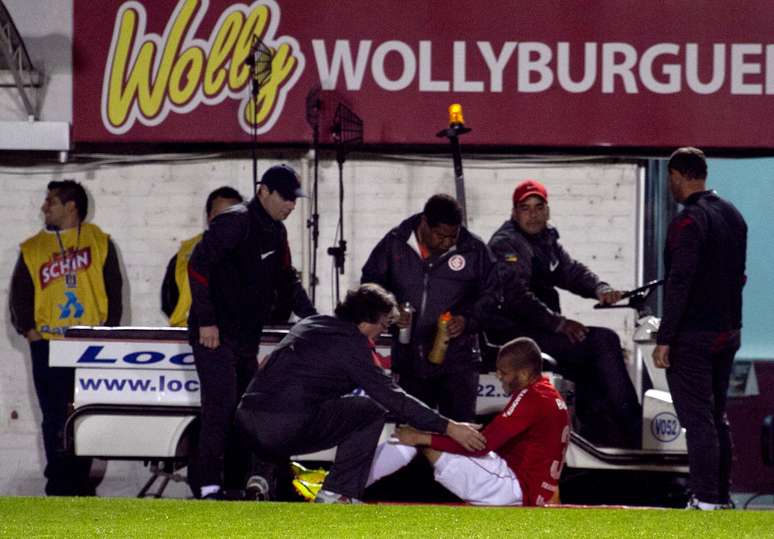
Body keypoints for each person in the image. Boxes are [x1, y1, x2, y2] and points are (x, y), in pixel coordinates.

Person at [234, 283, 486, 503]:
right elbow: (393, 398)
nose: (384, 333)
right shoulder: (352, 346)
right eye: (385, 325)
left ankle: (260, 478)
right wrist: (449, 426)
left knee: (292, 398)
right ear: (368, 322)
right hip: (282, 427)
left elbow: (268, 369)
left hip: (246, 421)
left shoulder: (310, 323)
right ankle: (338, 493)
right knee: (369, 410)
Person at [187, 164, 317, 500]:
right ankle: (208, 487)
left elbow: (287, 281)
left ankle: (251, 481)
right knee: (220, 407)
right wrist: (206, 321)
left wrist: (316, 320)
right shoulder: (235, 221)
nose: (291, 205)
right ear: (264, 192)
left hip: (245, 338)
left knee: (252, 409)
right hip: (214, 335)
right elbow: (197, 266)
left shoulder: (277, 232)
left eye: (295, 199)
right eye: (286, 198)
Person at [487, 179, 641, 448]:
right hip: (516, 336)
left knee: (592, 357)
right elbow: (515, 297)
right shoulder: (507, 244)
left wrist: (600, 288)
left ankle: (602, 438)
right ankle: (634, 430)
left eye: (539, 207)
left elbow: (570, 271)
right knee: (603, 342)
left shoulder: (545, 240)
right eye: (525, 208)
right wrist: (559, 324)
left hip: (539, 331)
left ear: (547, 211)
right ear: (514, 212)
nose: (533, 214)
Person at [9, 179, 123, 495]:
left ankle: (81, 482)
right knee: (53, 416)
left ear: (71, 207)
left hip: (89, 343)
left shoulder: (99, 241)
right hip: (48, 344)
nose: (44, 207)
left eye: (51, 201)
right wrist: (31, 333)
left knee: (85, 412)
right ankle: (58, 484)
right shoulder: (33, 248)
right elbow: (19, 295)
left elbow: (114, 290)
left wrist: (107, 332)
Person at [652, 147, 747, 510]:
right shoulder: (733, 216)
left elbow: (681, 282)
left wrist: (665, 338)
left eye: (671, 179)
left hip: (694, 337)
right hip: (728, 332)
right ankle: (721, 498)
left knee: (698, 420)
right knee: (717, 416)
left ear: (677, 175)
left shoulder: (689, 222)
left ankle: (705, 499)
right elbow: (737, 277)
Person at [367, 337, 570, 506]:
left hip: (513, 488)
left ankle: (346, 487)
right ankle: (347, 485)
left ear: (524, 373)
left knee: (418, 439)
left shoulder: (531, 397)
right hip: (527, 488)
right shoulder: (548, 394)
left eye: (504, 372)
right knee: (427, 437)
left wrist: (421, 437)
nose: (498, 376)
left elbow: (480, 446)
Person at [361, 194, 500, 422]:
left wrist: (467, 320)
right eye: (440, 235)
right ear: (424, 222)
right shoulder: (396, 243)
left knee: (459, 432)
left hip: (458, 363)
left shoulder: (474, 250)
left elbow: (493, 295)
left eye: (451, 236)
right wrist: (391, 312)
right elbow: (370, 284)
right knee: (411, 433)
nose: (446, 242)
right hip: (409, 362)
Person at [161, 186, 243, 327]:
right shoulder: (186, 253)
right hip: (188, 335)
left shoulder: (256, 251)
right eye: (220, 215)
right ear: (209, 217)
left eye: (231, 215)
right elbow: (169, 297)